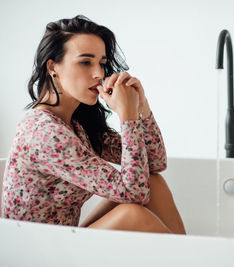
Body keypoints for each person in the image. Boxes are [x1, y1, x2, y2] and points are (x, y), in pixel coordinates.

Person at [1, 15, 186, 235]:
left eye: (102, 63)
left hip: (64, 240)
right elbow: (135, 193)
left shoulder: (76, 123)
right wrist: (127, 116)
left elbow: (155, 164)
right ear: (53, 67)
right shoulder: (44, 132)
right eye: (85, 62)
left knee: (154, 184)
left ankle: (187, 256)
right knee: (134, 213)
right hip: (38, 251)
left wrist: (141, 107)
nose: (99, 74)